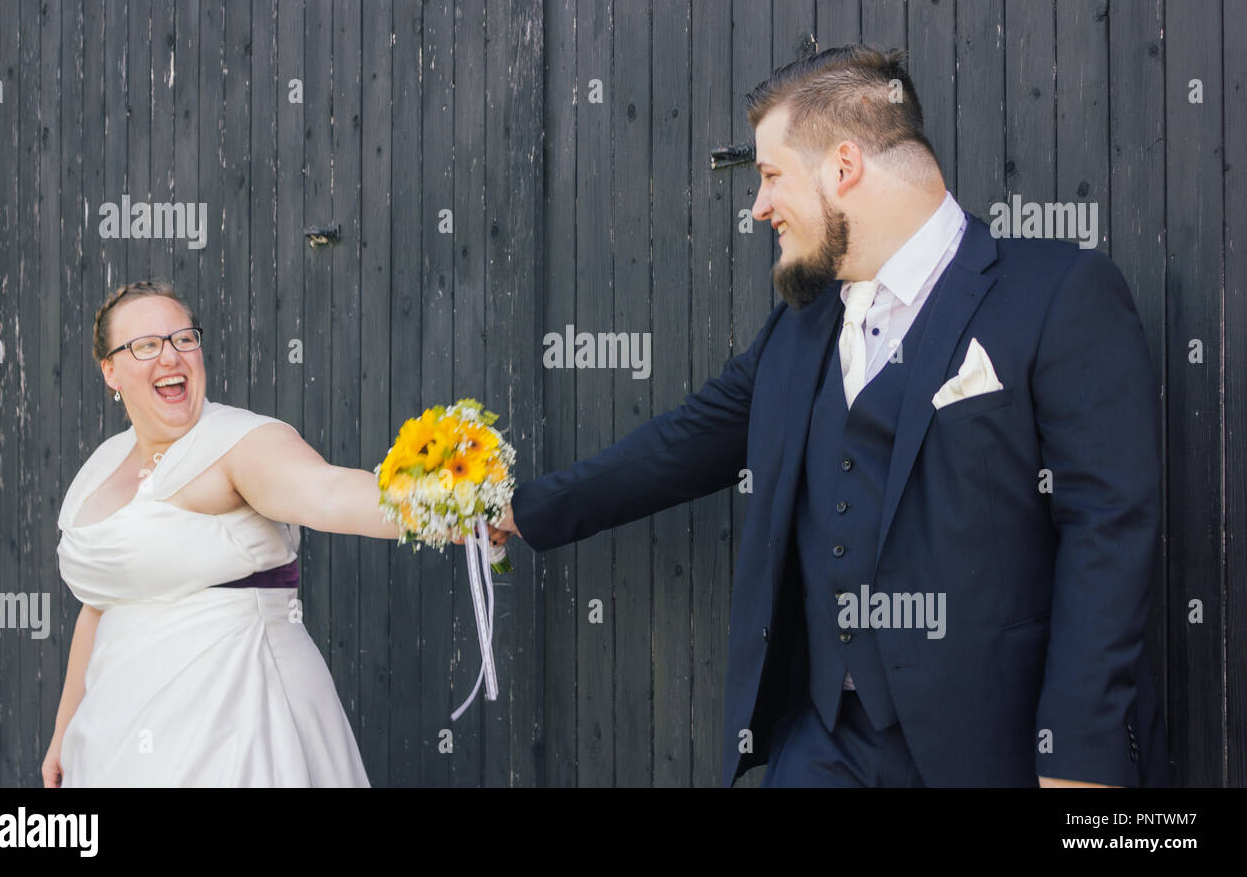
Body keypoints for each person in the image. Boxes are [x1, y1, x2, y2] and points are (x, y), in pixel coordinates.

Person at [489, 45, 1169, 787]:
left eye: (772, 176)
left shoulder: (1058, 294)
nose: (758, 207)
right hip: (822, 744)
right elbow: (682, 446)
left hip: (993, 749)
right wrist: (521, 509)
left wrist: (1078, 756)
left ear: (843, 166)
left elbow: (1107, 531)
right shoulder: (802, 327)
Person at [44, 280, 401, 786]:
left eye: (183, 339)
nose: (170, 356)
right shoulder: (102, 465)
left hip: (236, 719)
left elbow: (329, 493)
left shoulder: (240, 442)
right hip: (117, 735)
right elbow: (100, 603)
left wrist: (447, 508)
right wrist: (64, 730)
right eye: (145, 346)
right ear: (111, 372)